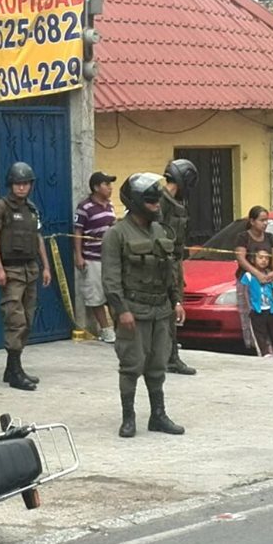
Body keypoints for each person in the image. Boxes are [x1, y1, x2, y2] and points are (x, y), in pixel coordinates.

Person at [101, 173, 185, 438]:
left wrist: (176, 301)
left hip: (161, 310)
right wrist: (121, 310)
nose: (156, 206)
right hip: (133, 311)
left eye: (156, 201)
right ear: (136, 203)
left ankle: (158, 415)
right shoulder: (116, 234)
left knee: (158, 365)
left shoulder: (160, 231)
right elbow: (111, 278)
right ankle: (128, 418)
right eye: (151, 202)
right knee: (131, 365)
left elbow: (170, 270)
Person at [0, 162, 52, 391]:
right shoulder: (0, 207)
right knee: (15, 320)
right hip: (11, 270)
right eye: (17, 183)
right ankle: (15, 373)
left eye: (25, 183)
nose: (22, 187)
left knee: (28, 320)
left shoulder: (31, 209)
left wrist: (46, 266)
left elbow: (38, 238)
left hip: (30, 269)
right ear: (10, 184)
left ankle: (12, 368)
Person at [161, 158, 199, 375]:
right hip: (165, 262)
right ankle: (169, 358)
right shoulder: (161, 202)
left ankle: (169, 355)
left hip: (174, 262)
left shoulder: (174, 202)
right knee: (170, 311)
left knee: (172, 311)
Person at [74, 172, 118, 344]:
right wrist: (79, 256)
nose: (110, 188)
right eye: (106, 185)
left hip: (110, 258)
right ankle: (106, 330)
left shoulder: (110, 205)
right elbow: (78, 232)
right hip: (92, 258)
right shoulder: (84, 207)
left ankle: (118, 328)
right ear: (96, 187)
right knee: (96, 296)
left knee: (113, 295)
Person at [233, 206, 273, 354]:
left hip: (267, 279)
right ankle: (256, 348)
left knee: (270, 315)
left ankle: (272, 349)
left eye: (267, 220)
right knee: (250, 314)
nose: (265, 223)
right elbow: (241, 258)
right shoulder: (243, 237)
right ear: (252, 221)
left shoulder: (270, 237)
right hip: (248, 280)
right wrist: (256, 274)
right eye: (261, 220)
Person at [241, 248, 273, 358]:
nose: (264, 260)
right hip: (257, 309)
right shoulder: (248, 275)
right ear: (253, 260)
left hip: (270, 308)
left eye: (267, 258)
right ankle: (265, 352)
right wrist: (249, 307)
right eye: (260, 258)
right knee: (260, 332)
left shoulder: (270, 275)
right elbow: (246, 292)